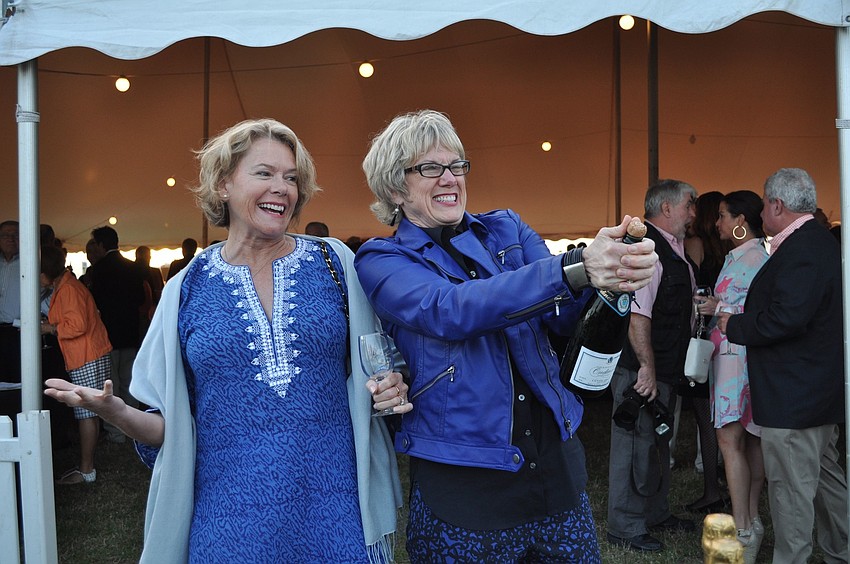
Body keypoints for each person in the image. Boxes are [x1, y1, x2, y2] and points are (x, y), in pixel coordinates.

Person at [45, 118, 408, 562]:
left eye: (291, 178)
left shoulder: (335, 263)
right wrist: (115, 412)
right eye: (264, 173)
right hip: (229, 522)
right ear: (222, 185)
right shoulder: (187, 288)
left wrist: (390, 385)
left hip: (335, 512)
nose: (282, 188)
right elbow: (168, 429)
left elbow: (380, 365)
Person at [354, 109, 658, 562]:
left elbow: (563, 319)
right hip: (464, 485)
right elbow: (450, 310)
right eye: (430, 168)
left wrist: (611, 274)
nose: (450, 178)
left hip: (554, 467)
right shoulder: (382, 258)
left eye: (457, 165)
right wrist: (573, 268)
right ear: (396, 187)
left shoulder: (506, 228)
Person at [718, 168, 848, 564]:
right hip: (812, 392)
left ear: (777, 205)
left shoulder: (803, 247)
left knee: (791, 492)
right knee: (826, 481)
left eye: (763, 205)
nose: (760, 214)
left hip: (795, 396)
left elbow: (787, 318)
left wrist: (734, 324)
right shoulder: (815, 241)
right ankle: (841, 551)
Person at [607, 179, 698, 553]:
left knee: (658, 442)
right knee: (634, 446)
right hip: (641, 370)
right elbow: (637, 316)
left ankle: (655, 513)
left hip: (664, 369)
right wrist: (646, 367)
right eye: (689, 205)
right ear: (667, 207)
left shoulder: (673, 249)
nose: (693, 213)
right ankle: (625, 527)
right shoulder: (648, 250)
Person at [696, 190, 768, 564]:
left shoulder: (753, 259)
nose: (717, 222)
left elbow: (761, 310)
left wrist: (716, 305)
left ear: (740, 220)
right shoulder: (743, 256)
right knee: (749, 440)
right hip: (738, 358)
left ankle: (743, 529)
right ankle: (751, 521)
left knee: (729, 439)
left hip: (736, 359)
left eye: (723, 215)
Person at [39, 245, 112, 484]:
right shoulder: (66, 285)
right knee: (90, 412)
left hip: (85, 354)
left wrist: (50, 328)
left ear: (44, 273)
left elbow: (77, 326)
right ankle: (87, 467)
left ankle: (86, 470)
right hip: (91, 352)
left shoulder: (68, 289)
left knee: (85, 413)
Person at [681, 191, 730, 512]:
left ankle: (712, 488)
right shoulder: (731, 250)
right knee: (729, 417)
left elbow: (692, 293)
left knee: (704, 416)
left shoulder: (694, 245)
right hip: (729, 338)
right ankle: (731, 479)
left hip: (702, 338)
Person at [87, 226, 148, 443]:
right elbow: (141, 299)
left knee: (110, 385)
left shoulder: (98, 270)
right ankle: (134, 428)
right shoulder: (133, 267)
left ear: (101, 245)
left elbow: (94, 303)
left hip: (108, 334)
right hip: (130, 331)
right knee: (130, 383)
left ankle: (116, 432)